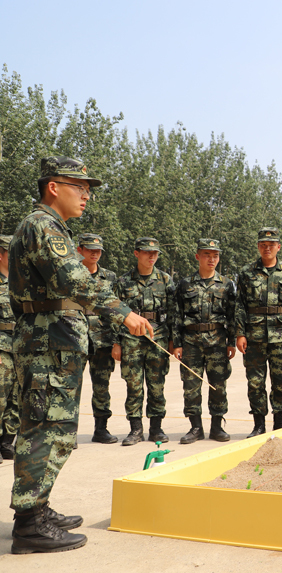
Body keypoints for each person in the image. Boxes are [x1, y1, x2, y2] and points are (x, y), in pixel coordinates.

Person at [8, 156, 152, 553]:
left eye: (88, 188)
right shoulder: (43, 226)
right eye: (79, 186)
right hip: (47, 344)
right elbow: (74, 280)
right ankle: (29, 525)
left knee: (54, 428)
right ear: (53, 187)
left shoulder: (50, 227)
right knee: (46, 428)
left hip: (52, 343)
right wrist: (124, 313)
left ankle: (36, 507)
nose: (86, 195)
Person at [235, 228, 282, 436]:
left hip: (281, 336)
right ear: (258, 246)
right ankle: (259, 425)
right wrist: (240, 333)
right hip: (254, 337)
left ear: (278, 247)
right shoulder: (247, 272)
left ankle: (279, 423)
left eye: (271, 244)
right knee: (255, 383)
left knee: (280, 381)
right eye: (263, 244)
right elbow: (240, 305)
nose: (267, 248)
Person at [172, 239, 236, 443]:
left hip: (217, 341)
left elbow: (233, 315)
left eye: (215, 255)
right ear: (198, 256)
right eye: (207, 254)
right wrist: (177, 343)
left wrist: (231, 342)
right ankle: (195, 428)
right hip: (191, 341)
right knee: (191, 385)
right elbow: (176, 315)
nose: (211, 259)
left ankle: (217, 427)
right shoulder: (184, 284)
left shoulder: (226, 284)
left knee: (218, 385)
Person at [113, 237, 175, 446]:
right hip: (131, 340)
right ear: (136, 253)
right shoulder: (123, 282)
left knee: (157, 385)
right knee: (134, 385)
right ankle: (135, 429)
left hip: (158, 337)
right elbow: (114, 315)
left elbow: (174, 313)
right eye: (147, 252)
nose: (152, 257)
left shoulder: (165, 280)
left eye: (155, 253)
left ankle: (156, 428)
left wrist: (174, 341)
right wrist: (117, 342)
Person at [74, 233, 119, 444]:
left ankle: (101, 429)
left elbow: (117, 309)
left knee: (102, 387)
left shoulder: (109, 277)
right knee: (70, 387)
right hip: (74, 338)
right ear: (79, 250)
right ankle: (68, 433)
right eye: (90, 249)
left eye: (98, 250)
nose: (95, 253)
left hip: (103, 340)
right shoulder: (70, 276)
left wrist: (117, 341)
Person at [0, 234, 18, 461]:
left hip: (20, 345)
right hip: (1, 346)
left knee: (16, 396)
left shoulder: (20, 282)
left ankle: (7, 441)